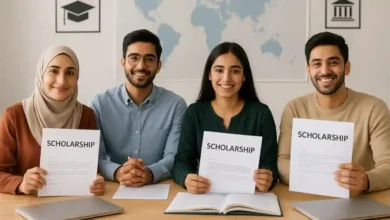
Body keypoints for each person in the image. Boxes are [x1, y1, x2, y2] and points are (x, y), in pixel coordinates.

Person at [278, 32, 390, 195]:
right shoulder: (295, 108)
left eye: (333, 62)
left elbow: (387, 164)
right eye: (317, 64)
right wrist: (318, 177)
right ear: (308, 70)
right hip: (305, 198)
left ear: (347, 67)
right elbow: (282, 161)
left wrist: (365, 180)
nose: (325, 71)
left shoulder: (374, 108)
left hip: (358, 202)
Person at [172, 42, 279, 194]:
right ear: (209, 74)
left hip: (251, 197)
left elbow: (270, 164)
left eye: (235, 71)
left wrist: (268, 178)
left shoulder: (261, 114)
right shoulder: (195, 112)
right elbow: (182, 162)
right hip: (205, 196)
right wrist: (186, 178)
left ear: (244, 76)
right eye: (219, 70)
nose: (226, 78)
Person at [0, 45, 105, 195]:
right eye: (53, 71)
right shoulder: (15, 115)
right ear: (41, 74)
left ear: (77, 78)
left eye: (70, 72)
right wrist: (21, 184)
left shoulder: (86, 115)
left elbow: (92, 171)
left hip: (74, 205)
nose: (61, 81)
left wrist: (97, 182)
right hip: (27, 206)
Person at [89, 29, 187, 186]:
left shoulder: (176, 105)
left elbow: (173, 156)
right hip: (112, 187)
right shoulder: (100, 104)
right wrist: (118, 172)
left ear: (158, 65)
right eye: (134, 58)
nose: (141, 66)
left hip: (160, 187)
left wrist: (150, 173)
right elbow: (94, 156)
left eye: (149, 59)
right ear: (123, 63)